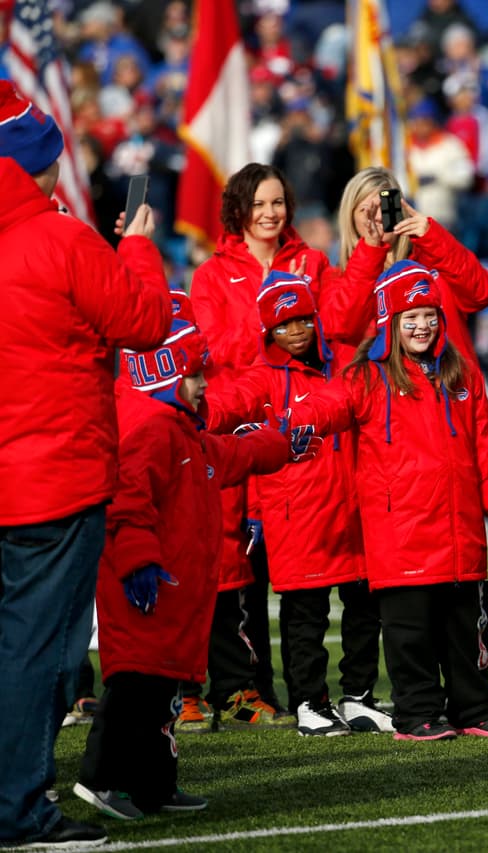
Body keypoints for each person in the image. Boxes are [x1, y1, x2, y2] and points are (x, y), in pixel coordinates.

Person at [0, 81, 171, 848]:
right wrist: (135, 243)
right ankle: (17, 809)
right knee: (37, 655)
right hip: (51, 478)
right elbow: (145, 322)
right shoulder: (62, 239)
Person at [294, 260, 488, 741]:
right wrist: (295, 420)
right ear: (390, 321)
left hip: (461, 529)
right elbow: (328, 406)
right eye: (411, 317)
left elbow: (484, 447)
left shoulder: (463, 375)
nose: (423, 326)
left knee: (467, 629)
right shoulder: (365, 377)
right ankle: (417, 712)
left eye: (430, 315)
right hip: (400, 533)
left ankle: (475, 707)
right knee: (410, 636)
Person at [75, 318, 302, 820]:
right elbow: (127, 504)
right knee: (134, 688)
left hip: (174, 593)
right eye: (196, 376)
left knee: (162, 696)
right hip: (146, 590)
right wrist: (138, 562)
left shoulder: (182, 432)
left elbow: (231, 454)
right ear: (163, 374)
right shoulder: (149, 431)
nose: (204, 387)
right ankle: (101, 778)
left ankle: (155, 784)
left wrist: (280, 444)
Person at [189, 162, 384, 725]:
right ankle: (242, 687)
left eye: (278, 202)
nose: (271, 213)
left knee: (308, 576)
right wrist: (270, 322)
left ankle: (311, 694)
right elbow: (210, 347)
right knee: (235, 564)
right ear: (239, 210)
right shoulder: (211, 275)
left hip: (301, 430)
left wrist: (369, 251)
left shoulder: (313, 261)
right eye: (260, 204)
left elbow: (343, 322)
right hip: (240, 424)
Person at [209, 272, 391, 736]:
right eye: (284, 325)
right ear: (267, 332)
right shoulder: (261, 377)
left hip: (356, 508)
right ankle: (309, 701)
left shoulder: (350, 362)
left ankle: (357, 697)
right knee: (305, 615)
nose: (296, 331)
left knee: (365, 609)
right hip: (299, 514)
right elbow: (226, 403)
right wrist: (191, 410)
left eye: (303, 320)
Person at [334, 165, 488, 365]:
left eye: (385, 207)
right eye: (367, 210)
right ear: (350, 218)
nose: (378, 217)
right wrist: (370, 253)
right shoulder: (339, 277)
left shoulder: (433, 257)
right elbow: (342, 330)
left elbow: (483, 293)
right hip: (391, 392)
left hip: (452, 387)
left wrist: (434, 239)